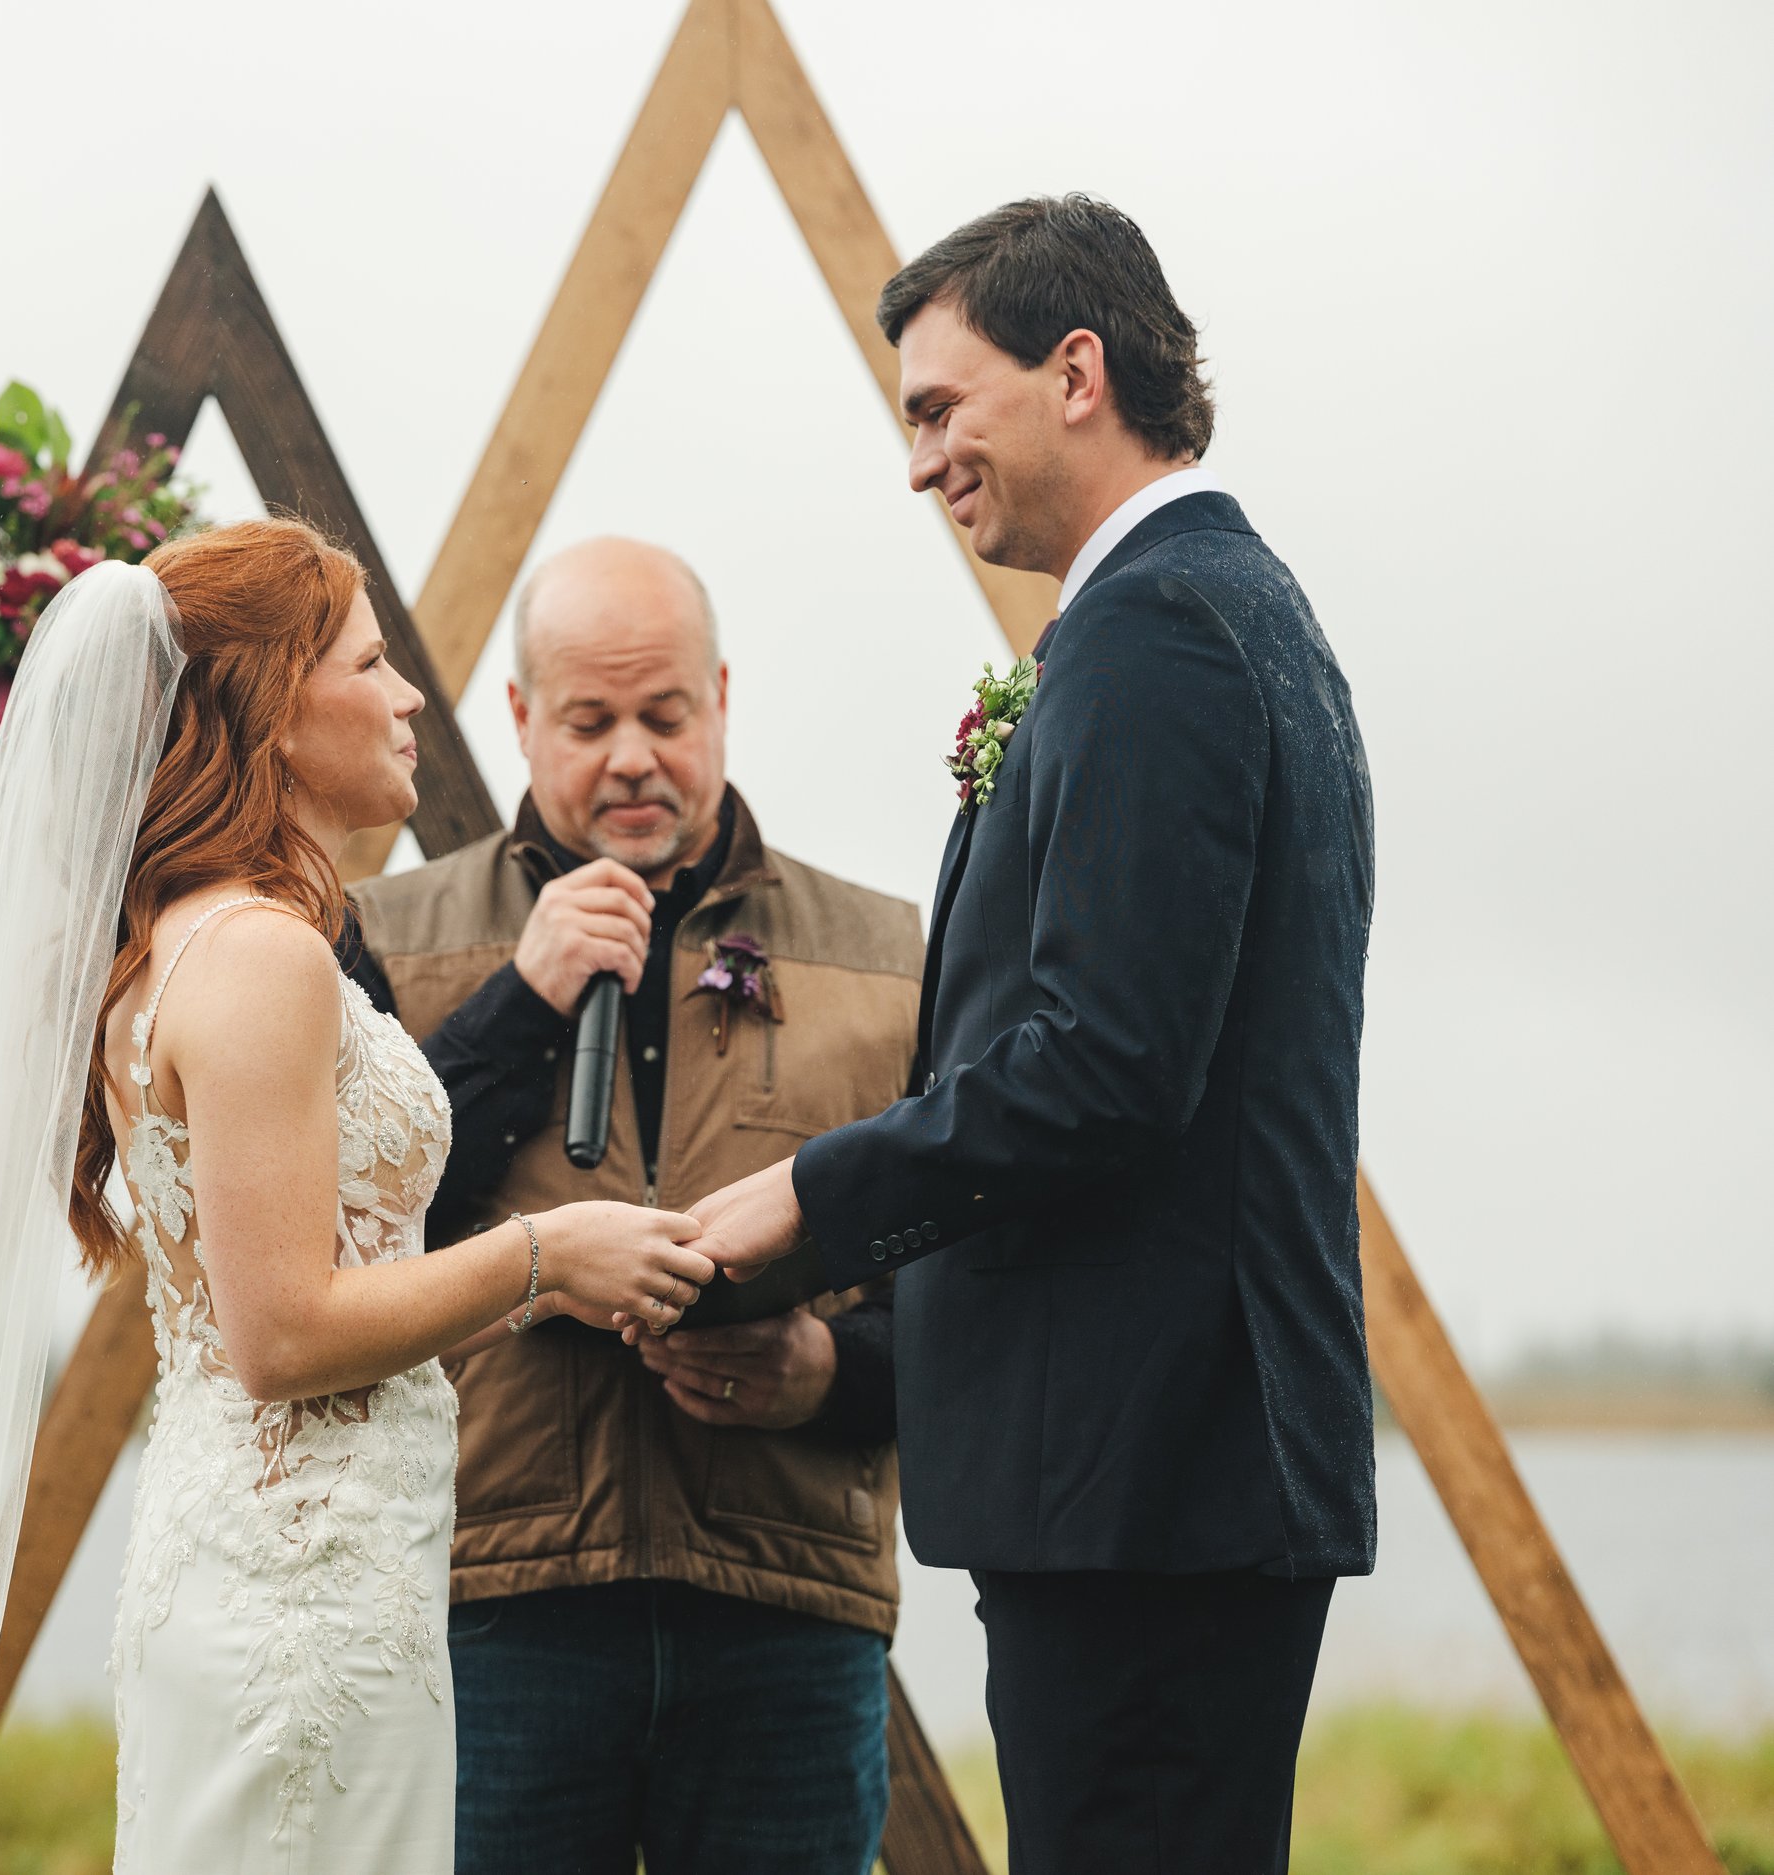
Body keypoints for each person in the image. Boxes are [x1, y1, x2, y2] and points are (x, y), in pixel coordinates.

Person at [0, 518, 717, 1875]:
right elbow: (283, 1335)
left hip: (288, 1561)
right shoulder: (262, 957)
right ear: (272, 703)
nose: (406, 698)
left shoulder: (192, 942)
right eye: (371, 664)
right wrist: (546, 1256)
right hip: (304, 1606)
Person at [689, 197, 1378, 1875]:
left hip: (1145, 1475)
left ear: (1079, 371)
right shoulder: (1227, 610)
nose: (921, 464)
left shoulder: (1156, 634)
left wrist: (810, 1203)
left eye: (939, 409)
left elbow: (1106, 1064)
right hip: (1169, 1468)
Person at [347, 536, 924, 1875]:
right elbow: (345, 1246)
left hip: (789, 1612)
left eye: (666, 717)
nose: (630, 760)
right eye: (590, 722)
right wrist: (521, 1002)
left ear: (721, 698)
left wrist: (828, 1369)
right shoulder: (387, 937)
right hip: (492, 1605)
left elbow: (980, 1299)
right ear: (518, 718)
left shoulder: (890, 958)